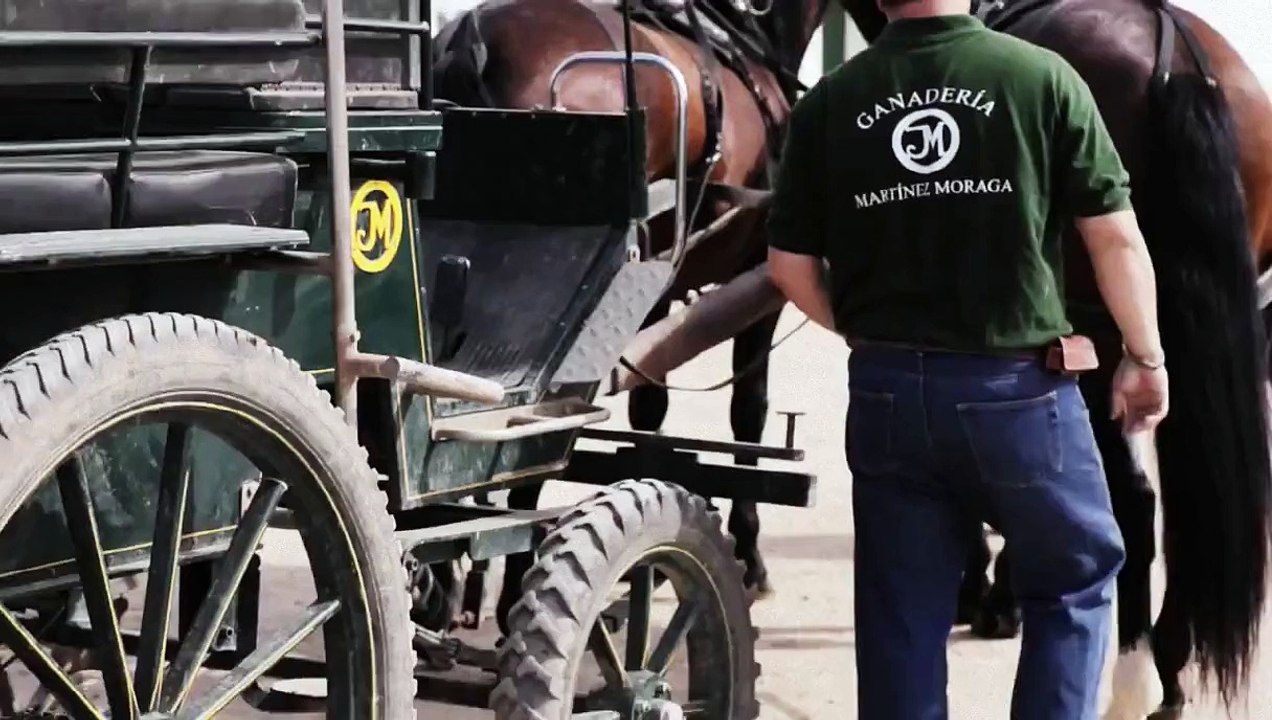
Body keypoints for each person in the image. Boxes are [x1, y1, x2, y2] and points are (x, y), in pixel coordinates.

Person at [764, 0, 1170, 718]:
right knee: (1075, 579)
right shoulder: (1041, 76)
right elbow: (1114, 239)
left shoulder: (832, 99)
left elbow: (789, 266)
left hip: (887, 394)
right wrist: (1146, 356)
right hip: (1018, 394)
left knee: (901, 614)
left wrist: (866, 333)